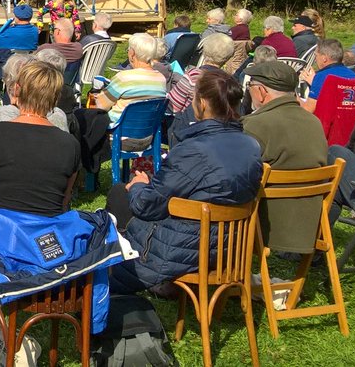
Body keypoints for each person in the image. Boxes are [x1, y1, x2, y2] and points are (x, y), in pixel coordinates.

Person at [105, 69, 264, 294]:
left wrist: (139, 184)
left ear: (203, 103)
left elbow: (146, 205)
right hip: (230, 248)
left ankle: (118, 266)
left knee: (120, 194)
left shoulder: (193, 150)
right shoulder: (252, 146)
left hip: (186, 248)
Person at [0, 55, 73, 209]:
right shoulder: (71, 144)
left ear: (17, 89)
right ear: (55, 96)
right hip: (46, 221)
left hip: (0, 216)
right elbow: (63, 204)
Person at [242, 60, 329, 256]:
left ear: (262, 92)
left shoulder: (255, 125)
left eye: (250, 87)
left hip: (268, 226)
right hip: (311, 223)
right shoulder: (314, 122)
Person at [92, 32, 167, 124]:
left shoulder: (124, 78)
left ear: (132, 53)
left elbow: (101, 105)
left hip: (118, 131)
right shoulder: (161, 79)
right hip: (148, 131)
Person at [166, 33, 235, 114]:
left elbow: (173, 106)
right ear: (229, 56)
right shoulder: (229, 80)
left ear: (205, 51)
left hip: (191, 122)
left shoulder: (193, 76)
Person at [299, 38, 355, 111]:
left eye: (316, 56)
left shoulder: (321, 77)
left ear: (324, 59)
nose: (315, 59)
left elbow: (307, 110)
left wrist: (293, 93)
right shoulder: (354, 76)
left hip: (328, 121)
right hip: (352, 119)